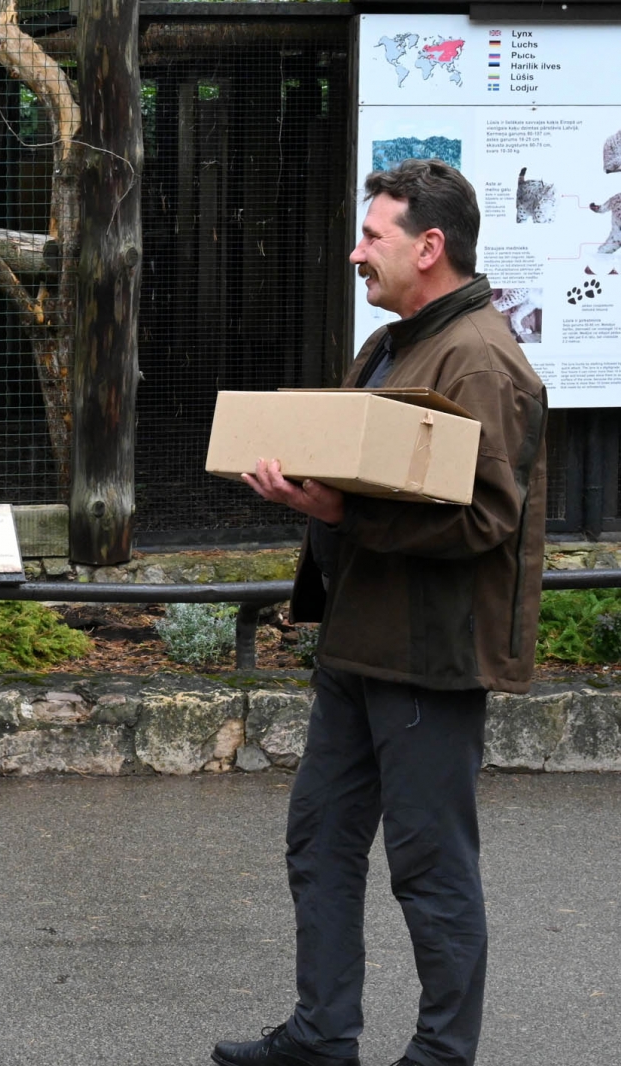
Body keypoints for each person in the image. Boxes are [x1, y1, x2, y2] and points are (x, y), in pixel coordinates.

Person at [214, 159, 546, 1066]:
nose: (357, 253)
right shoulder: (394, 342)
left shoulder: (480, 357)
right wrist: (307, 481)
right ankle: (324, 1036)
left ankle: (442, 1054)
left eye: (373, 236)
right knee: (319, 842)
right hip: (359, 646)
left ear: (429, 246)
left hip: (428, 661)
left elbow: (488, 519)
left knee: (430, 871)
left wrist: (337, 509)